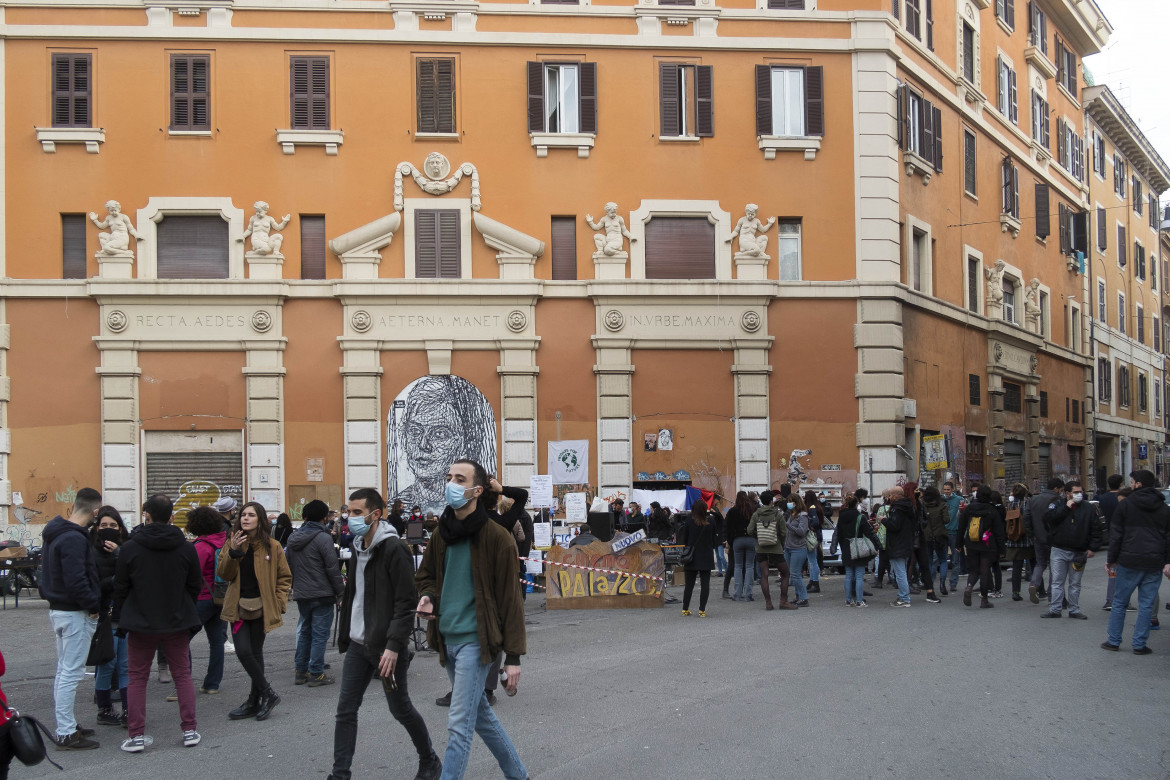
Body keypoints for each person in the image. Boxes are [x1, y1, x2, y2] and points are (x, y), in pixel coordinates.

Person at [415, 459, 528, 780]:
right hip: (446, 638)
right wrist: (428, 597)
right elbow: (427, 577)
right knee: (480, 716)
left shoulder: (497, 538)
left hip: (476, 642)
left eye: (459, 479)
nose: (450, 483)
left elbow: (510, 601)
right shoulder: (442, 534)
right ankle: (518, 775)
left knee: (459, 723)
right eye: (449, 476)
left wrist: (514, 657)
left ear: (477, 491)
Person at [331, 488, 441, 780]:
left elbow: (406, 602)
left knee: (400, 708)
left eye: (356, 513)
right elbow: (355, 593)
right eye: (349, 511)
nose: (349, 518)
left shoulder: (394, 549)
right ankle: (340, 774)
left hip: (385, 649)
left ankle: (429, 759)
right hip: (357, 644)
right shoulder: (357, 546)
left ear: (375, 514)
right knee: (345, 711)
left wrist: (394, 646)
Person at [112, 494, 202, 752]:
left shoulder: (130, 547)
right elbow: (194, 585)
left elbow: (120, 586)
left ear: (146, 516)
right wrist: (182, 604)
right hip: (176, 619)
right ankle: (189, 730)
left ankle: (136, 735)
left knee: (137, 677)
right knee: (182, 675)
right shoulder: (186, 547)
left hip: (140, 620)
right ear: (171, 516)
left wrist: (121, 613)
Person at [39, 486, 103, 750]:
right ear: (95, 511)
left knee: (64, 670)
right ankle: (65, 731)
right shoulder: (75, 538)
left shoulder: (55, 534)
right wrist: (93, 605)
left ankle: (67, 724)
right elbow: (77, 580)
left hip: (59, 609)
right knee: (71, 673)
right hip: (74, 612)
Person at [218, 501, 292, 722]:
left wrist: (278, 603)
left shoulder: (272, 546)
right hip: (239, 606)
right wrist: (233, 552)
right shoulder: (232, 542)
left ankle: (253, 700)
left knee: (255, 653)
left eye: (251, 515)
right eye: (243, 515)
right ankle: (267, 693)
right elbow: (224, 574)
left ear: (259, 519)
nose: (245, 518)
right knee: (243, 651)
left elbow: (284, 577)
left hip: (262, 607)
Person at [1102, 470, 1170, 654]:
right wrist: (1167, 561)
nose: (1130, 485)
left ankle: (1114, 640)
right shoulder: (1164, 508)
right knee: (1147, 604)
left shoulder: (1125, 505)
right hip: (1154, 561)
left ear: (1139, 484)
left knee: (1119, 602)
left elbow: (1116, 535)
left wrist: (1111, 559)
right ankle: (1139, 644)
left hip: (1129, 560)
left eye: (1132, 482)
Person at [287, 500, 345, 688]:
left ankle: (300, 670)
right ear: (324, 518)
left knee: (305, 631)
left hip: (302, 592)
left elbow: (289, 565)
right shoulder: (323, 538)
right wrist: (341, 592)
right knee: (320, 634)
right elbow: (332, 568)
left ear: (304, 516)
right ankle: (316, 672)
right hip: (322, 592)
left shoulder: (292, 538)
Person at [1041, 480, 1104, 620]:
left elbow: (1096, 528)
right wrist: (1066, 508)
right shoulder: (1058, 504)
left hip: (1079, 551)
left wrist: (1093, 547)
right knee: (1057, 582)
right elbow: (1049, 519)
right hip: (1059, 549)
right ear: (1068, 493)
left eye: (1080, 492)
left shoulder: (1088, 508)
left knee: (1075, 583)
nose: (1079, 494)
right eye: (1076, 492)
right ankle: (1055, 609)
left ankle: (1074, 610)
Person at [91, 507, 129, 727]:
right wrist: (114, 580)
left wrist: (119, 554)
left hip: (126, 614)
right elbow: (92, 585)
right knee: (107, 664)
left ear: (120, 528)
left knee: (125, 666)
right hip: (105, 616)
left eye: (113, 526)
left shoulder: (126, 549)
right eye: (104, 525)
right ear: (97, 528)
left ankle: (127, 710)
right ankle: (104, 709)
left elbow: (136, 574)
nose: (108, 529)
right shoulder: (91, 552)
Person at [186, 506, 229, 696]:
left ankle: (183, 683)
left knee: (181, 640)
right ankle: (212, 683)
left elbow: (191, 575)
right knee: (217, 641)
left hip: (202, 598)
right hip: (220, 597)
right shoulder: (223, 542)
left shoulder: (200, 546)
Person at [746, 491, 796, 611]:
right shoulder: (777, 514)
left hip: (761, 548)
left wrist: (758, 537)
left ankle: (768, 603)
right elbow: (783, 532)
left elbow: (749, 530)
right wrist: (781, 543)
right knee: (786, 573)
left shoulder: (756, 514)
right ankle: (783, 601)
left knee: (764, 575)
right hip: (776, 548)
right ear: (770, 501)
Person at [958, 485, 1002, 608]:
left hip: (971, 543)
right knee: (984, 571)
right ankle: (984, 600)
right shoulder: (992, 510)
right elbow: (999, 532)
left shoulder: (969, 509)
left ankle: (969, 586)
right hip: (987, 543)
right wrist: (1001, 549)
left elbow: (961, 527)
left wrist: (959, 544)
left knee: (973, 570)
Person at [1024, 478, 1065, 604]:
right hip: (1054, 539)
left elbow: (1026, 518)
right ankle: (1052, 595)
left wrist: (1032, 534)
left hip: (1038, 538)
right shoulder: (1059, 500)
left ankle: (1034, 585)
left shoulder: (1033, 499)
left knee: (1040, 564)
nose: (1062, 492)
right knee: (1055, 566)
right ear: (1056, 488)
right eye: (1061, 490)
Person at [837, 494, 882, 607]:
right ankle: (859, 600)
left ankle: (848, 600)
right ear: (856, 504)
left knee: (848, 575)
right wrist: (878, 545)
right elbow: (870, 533)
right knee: (859, 576)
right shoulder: (860, 517)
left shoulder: (841, 517)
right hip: (859, 547)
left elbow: (838, 533)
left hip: (846, 547)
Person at [677, 499, 716, 617]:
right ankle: (702, 610)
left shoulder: (689, 521)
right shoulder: (711, 521)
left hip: (691, 556)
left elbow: (684, 538)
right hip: (706, 554)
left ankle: (685, 609)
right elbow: (714, 538)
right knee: (705, 584)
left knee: (689, 584)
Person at [903, 483, 941, 604]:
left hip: (919, 538)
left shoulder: (919, 504)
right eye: (916, 490)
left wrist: (921, 523)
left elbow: (924, 520)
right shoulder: (906, 505)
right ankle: (905, 591)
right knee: (909, 565)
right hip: (909, 539)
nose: (919, 492)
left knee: (923, 564)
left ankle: (930, 592)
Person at [882, 487, 916, 607]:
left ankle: (904, 598)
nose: (889, 497)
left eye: (890, 495)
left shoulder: (897, 509)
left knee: (900, 572)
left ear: (896, 496)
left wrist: (884, 520)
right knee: (903, 571)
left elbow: (894, 525)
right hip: (906, 542)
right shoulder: (909, 506)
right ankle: (903, 595)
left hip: (897, 544)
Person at [1095, 474, 1124, 610]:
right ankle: (1122, 601)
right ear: (1121, 484)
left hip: (1110, 535)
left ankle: (1110, 600)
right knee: (1125, 571)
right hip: (1123, 537)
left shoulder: (1102, 498)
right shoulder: (1124, 499)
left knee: (1112, 569)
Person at [1003, 484, 1034, 602]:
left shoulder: (1009, 505)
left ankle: (1015, 592)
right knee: (1035, 565)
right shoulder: (1028, 503)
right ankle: (1039, 589)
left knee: (1016, 567)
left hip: (1014, 539)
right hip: (1027, 539)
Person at [920, 487, 950, 596]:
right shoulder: (942, 504)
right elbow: (947, 520)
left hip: (927, 535)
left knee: (929, 561)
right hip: (940, 535)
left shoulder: (923, 504)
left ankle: (930, 584)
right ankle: (942, 583)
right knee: (942, 560)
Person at [724, 491, 754, 601]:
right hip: (751, 539)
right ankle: (748, 594)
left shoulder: (732, 511)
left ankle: (737, 594)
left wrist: (730, 542)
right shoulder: (752, 510)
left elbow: (728, 528)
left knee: (738, 566)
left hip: (737, 540)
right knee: (749, 566)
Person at [941, 482, 963, 591]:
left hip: (954, 532)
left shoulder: (959, 499)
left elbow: (963, 513)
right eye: (944, 489)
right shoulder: (940, 499)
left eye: (948, 489)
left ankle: (953, 583)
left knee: (955, 560)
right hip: (943, 532)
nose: (946, 492)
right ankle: (942, 583)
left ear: (952, 489)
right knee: (941, 558)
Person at [802, 491, 823, 593]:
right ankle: (812, 581)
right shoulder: (817, 506)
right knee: (812, 560)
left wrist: (808, 526)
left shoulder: (811, 508)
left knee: (812, 560)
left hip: (812, 536)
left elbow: (815, 522)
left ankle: (815, 583)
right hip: (816, 535)